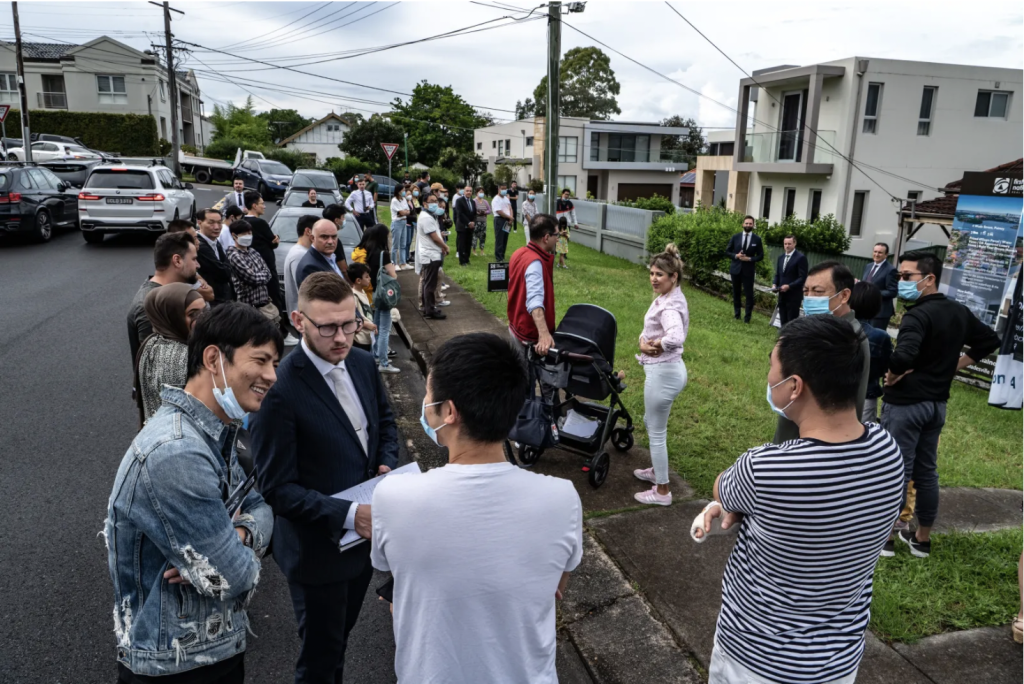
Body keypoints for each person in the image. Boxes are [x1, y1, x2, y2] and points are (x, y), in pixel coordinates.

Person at [695, 315, 904, 684]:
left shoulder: (764, 468)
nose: (768, 379)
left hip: (755, 659)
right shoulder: (887, 449)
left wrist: (733, 508)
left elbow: (722, 489)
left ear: (794, 387)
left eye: (771, 369)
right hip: (837, 661)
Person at [371, 332, 583, 684]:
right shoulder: (562, 498)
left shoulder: (393, 495)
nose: (425, 401)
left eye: (428, 393)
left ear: (449, 411)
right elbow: (555, 587)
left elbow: (391, 572)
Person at [107, 302, 279, 683]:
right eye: (261, 360)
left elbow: (261, 506)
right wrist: (237, 549)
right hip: (176, 664)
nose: (271, 376)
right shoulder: (178, 452)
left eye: (275, 365)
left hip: (208, 649)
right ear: (214, 358)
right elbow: (233, 577)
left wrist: (240, 534)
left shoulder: (214, 430)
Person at [252, 272, 399, 684]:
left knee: (340, 642)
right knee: (319, 660)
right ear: (298, 321)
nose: (342, 337)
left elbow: (384, 425)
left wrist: (386, 463)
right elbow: (277, 490)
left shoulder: (363, 362)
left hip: (362, 548)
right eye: (328, 327)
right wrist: (354, 515)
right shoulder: (278, 389)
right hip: (316, 553)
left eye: (350, 323)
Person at [880, 250, 1000, 558]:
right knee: (926, 471)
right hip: (936, 405)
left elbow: (903, 355)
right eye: (899, 277)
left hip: (906, 404)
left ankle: (887, 539)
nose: (901, 282)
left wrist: (893, 374)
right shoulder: (958, 311)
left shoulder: (917, 315)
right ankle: (922, 538)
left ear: (929, 279)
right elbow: (989, 340)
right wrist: (953, 367)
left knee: (898, 470)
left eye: (907, 277)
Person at [774, 261, 870, 445]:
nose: (809, 298)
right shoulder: (822, 328)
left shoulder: (845, 338)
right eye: (806, 291)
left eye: (818, 292)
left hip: (809, 443)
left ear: (844, 295)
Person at [632, 244, 689, 506]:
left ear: (673, 277)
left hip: (663, 373)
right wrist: (646, 341)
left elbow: (675, 336)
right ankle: (658, 469)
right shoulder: (671, 296)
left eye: (660, 274)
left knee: (656, 432)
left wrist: (651, 346)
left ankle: (662, 491)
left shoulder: (669, 307)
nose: (654, 278)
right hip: (670, 370)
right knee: (651, 422)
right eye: (652, 273)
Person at [134, 284, 206, 424]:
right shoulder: (180, 358)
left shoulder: (153, 342)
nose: (203, 319)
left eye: (205, 311)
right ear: (172, 317)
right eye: (193, 314)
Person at [127, 232, 199, 369]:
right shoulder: (149, 305)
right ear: (177, 260)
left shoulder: (165, 295)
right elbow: (155, 367)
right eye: (194, 259)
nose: (198, 265)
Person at [508, 213, 558, 358]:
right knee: (526, 377)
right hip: (529, 337)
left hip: (515, 327)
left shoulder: (519, 253)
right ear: (546, 237)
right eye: (556, 235)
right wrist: (544, 335)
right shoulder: (535, 262)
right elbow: (535, 301)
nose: (557, 240)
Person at [849, 281, 892, 423]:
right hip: (867, 395)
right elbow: (885, 369)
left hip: (832, 395)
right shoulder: (880, 336)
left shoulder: (833, 327)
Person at [362, 223, 401, 374]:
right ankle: (384, 363)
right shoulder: (383, 254)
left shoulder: (370, 252)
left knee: (377, 326)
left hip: (375, 294)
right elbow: (393, 274)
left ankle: (377, 355)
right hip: (385, 294)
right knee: (385, 329)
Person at [225, 219, 277, 322]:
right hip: (248, 307)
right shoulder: (234, 255)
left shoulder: (253, 251)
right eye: (244, 233)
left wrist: (259, 275)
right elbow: (252, 278)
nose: (248, 236)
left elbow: (268, 273)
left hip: (264, 305)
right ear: (234, 236)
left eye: (250, 233)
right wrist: (262, 275)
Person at [243, 190, 284, 316]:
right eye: (262, 203)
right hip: (267, 266)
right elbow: (273, 241)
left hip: (251, 267)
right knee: (274, 295)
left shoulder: (243, 221)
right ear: (254, 206)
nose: (264, 206)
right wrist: (276, 240)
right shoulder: (260, 223)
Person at [724, 216, 764, 323]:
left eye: (750, 224)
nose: (748, 225)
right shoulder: (735, 237)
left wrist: (750, 259)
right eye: (746, 223)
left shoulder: (757, 239)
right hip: (735, 269)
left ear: (753, 225)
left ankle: (747, 318)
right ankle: (737, 315)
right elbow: (727, 251)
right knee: (736, 293)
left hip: (748, 270)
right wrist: (736, 256)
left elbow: (761, 256)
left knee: (749, 294)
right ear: (743, 224)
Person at [416, 193, 450, 320]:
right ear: (424, 203)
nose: (435, 203)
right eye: (432, 201)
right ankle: (429, 310)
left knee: (428, 283)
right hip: (430, 255)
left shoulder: (430, 216)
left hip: (431, 254)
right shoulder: (426, 217)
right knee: (430, 284)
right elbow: (434, 237)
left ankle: (428, 308)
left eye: (436, 200)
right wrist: (445, 246)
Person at [196, 208, 235, 306]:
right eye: (211, 223)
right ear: (199, 222)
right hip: (212, 300)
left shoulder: (214, 241)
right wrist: (228, 268)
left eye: (219, 223)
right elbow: (224, 273)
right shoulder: (200, 246)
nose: (217, 227)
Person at [297, 218, 349, 288]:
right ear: (312, 238)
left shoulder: (330, 257)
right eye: (324, 237)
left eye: (334, 237)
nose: (330, 242)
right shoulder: (310, 267)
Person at [284, 213, 317, 316]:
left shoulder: (303, 252)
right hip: (304, 317)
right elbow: (306, 290)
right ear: (308, 231)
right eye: (319, 232)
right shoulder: (300, 254)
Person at [771, 234, 807, 326]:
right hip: (782, 294)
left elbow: (802, 278)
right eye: (785, 244)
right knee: (783, 320)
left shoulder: (800, 258)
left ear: (794, 244)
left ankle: (790, 339)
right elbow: (778, 274)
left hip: (793, 296)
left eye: (789, 244)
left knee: (791, 322)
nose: (787, 246)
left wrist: (789, 286)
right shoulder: (781, 258)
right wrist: (774, 284)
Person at [861, 242, 899, 331]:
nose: (876, 254)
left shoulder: (891, 270)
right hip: (865, 309)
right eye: (875, 251)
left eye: (880, 252)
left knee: (875, 340)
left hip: (880, 313)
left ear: (886, 255)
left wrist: (873, 292)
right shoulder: (868, 266)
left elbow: (893, 291)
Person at [347, 262, 378, 353]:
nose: (370, 278)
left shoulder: (362, 292)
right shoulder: (354, 296)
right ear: (358, 281)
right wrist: (367, 324)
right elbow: (352, 316)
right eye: (367, 277)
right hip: (359, 338)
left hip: (367, 335)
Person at [453, 183, 476, 266]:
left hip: (470, 227)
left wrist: (473, 222)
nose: (468, 192)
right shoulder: (459, 201)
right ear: (464, 192)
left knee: (468, 244)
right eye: (467, 191)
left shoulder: (473, 202)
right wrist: (468, 222)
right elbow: (460, 213)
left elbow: (474, 213)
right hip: (462, 225)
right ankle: (462, 261)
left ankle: (467, 259)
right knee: (461, 244)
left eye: (470, 191)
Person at [390, 186, 411, 270]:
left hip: (403, 222)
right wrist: (403, 212)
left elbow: (408, 211)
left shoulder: (404, 199)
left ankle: (403, 263)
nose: (404, 192)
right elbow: (401, 212)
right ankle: (394, 263)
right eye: (403, 190)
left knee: (403, 244)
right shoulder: (394, 200)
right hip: (397, 222)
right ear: (398, 191)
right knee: (395, 244)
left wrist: (403, 213)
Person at [492, 183, 513, 262]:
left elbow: (510, 208)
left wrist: (510, 218)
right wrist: (509, 217)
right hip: (499, 219)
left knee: (505, 238)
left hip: (507, 220)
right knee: (499, 239)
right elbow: (499, 211)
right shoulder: (496, 199)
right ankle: (498, 257)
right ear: (499, 189)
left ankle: (502, 255)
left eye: (505, 189)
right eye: (502, 189)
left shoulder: (506, 198)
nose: (504, 190)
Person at [472, 187, 491, 257]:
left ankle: (482, 250)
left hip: (484, 221)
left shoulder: (485, 202)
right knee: (475, 236)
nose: (481, 193)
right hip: (476, 221)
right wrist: (478, 213)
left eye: (482, 192)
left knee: (482, 236)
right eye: (480, 192)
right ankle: (474, 250)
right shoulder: (474, 201)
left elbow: (489, 210)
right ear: (476, 193)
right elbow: (473, 210)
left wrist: (485, 212)